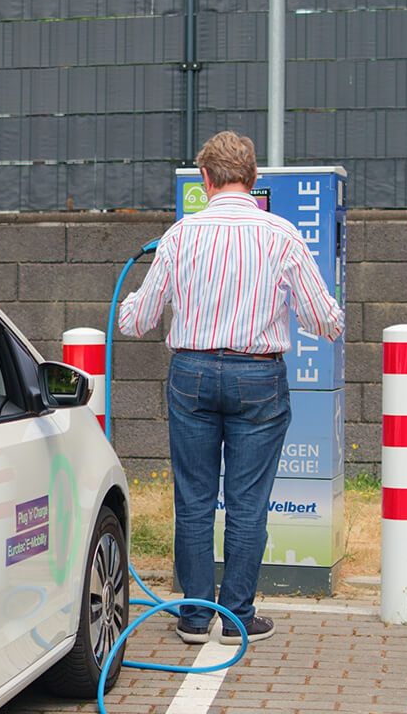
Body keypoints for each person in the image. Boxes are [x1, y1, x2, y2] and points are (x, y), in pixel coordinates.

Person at [117, 131, 344, 644]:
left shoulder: (180, 236)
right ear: (253, 176)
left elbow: (140, 319)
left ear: (205, 179)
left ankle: (194, 618)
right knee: (247, 503)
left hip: (192, 373)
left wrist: (130, 304)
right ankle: (236, 615)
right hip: (259, 377)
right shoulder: (282, 234)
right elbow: (325, 320)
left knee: (194, 499)